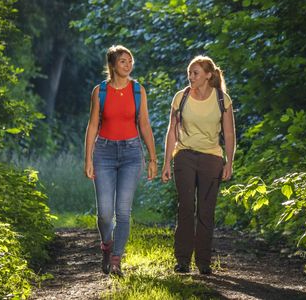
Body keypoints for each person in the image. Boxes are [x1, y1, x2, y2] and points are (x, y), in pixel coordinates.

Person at [84, 45, 158, 276]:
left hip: (131, 153)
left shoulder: (138, 90)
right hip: (103, 153)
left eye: (130, 61)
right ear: (113, 65)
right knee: (105, 214)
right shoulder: (100, 91)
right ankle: (107, 245)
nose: (128, 65)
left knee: (123, 212)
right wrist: (88, 159)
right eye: (123, 61)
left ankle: (116, 260)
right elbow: (93, 125)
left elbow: (144, 124)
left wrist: (153, 157)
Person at [161, 55, 236, 275]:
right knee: (185, 207)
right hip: (184, 156)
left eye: (195, 73)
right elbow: (172, 131)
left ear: (208, 75)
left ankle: (203, 262)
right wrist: (167, 162)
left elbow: (230, 134)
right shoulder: (181, 97)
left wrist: (229, 162)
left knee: (206, 211)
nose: (190, 76)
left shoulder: (222, 99)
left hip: (212, 158)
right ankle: (182, 260)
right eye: (189, 73)